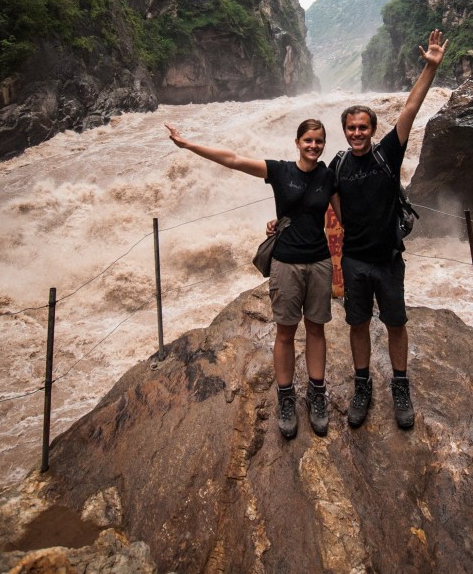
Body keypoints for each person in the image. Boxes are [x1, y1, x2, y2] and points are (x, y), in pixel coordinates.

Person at [165, 119, 338, 441]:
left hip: (319, 262)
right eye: (308, 140)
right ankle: (285, 398)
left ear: (323, 144)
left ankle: (317, 394)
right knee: (286, 332)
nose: (313, 146)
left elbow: (345, 217)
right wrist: (188, 144)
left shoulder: (329, 176)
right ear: (297, 142)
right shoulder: (280, 171)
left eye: (319, 141)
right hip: (285, 263)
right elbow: (233, 159)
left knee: (316, 328)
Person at [329, 28, 448, 431]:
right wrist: (283, 220)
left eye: (364, 128)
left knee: (396, 323)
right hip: (355, 261)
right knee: (357, 324)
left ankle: (400, 385)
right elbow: (320, 203)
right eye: (351, 128)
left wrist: (429, 68)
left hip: (388, 259)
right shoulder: (339, 166)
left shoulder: (387, 155)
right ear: (344, 131)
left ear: (372, 130)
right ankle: (362, 385)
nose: (357, 133)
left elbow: (411, 109)